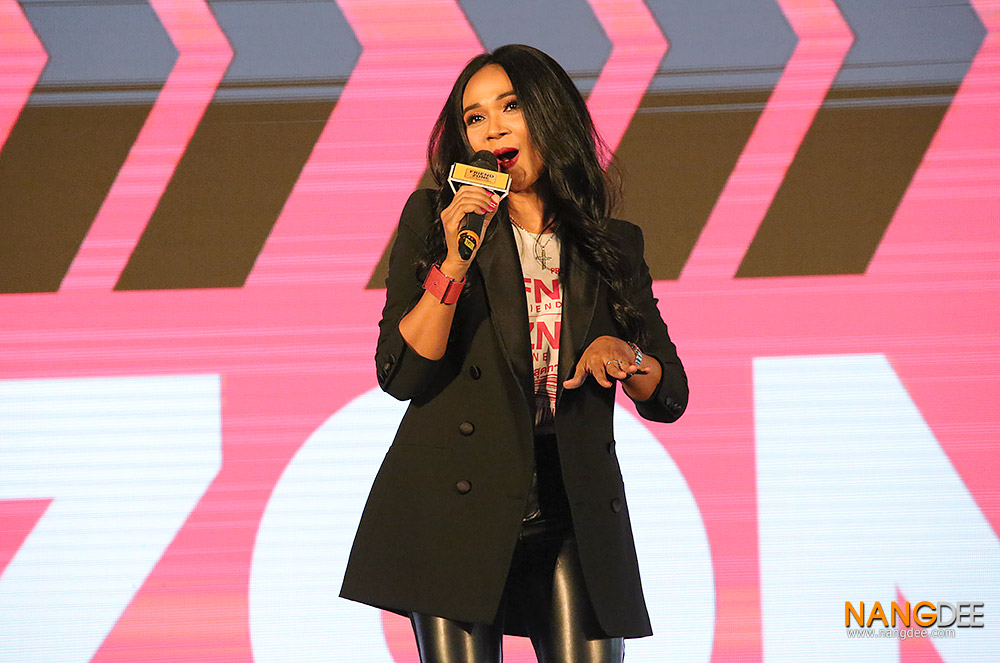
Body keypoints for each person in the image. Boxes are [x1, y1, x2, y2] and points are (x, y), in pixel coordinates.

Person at [341, 44, 688, 663]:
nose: (492, 129)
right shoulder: (435, 219)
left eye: (510, 107)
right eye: (474, 118)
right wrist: (454, 261)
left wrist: (625, 355)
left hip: (572, 508)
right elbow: (402, 373)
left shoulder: (613, 246)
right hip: (455, 505)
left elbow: (670, 393)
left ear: (550, 115)